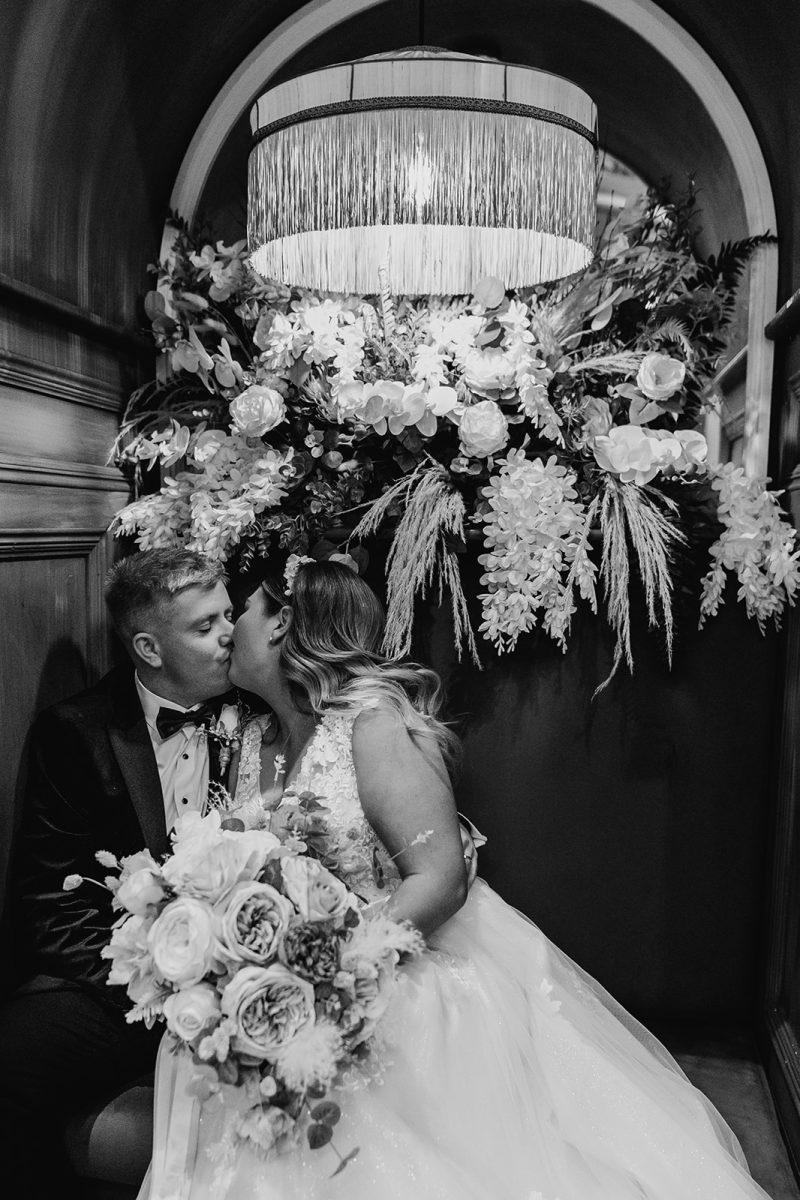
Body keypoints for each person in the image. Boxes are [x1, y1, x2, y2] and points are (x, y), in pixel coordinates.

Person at [139, 558, 772, 1200]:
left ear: (281, 624)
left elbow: (440, 879)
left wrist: (330, 969)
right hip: (281, 983)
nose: (227, 630)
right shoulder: (250, 736)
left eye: (238, 612)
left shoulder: (373, 724)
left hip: (394, 968)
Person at [0, 547, 239, 1200]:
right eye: (206, 625)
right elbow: (51, 907)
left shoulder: (261, 712)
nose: (230, 634)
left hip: (243, 974)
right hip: (124, 991)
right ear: (149, 648)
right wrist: (155, 989)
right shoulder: (73, 734)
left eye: (229, 615)